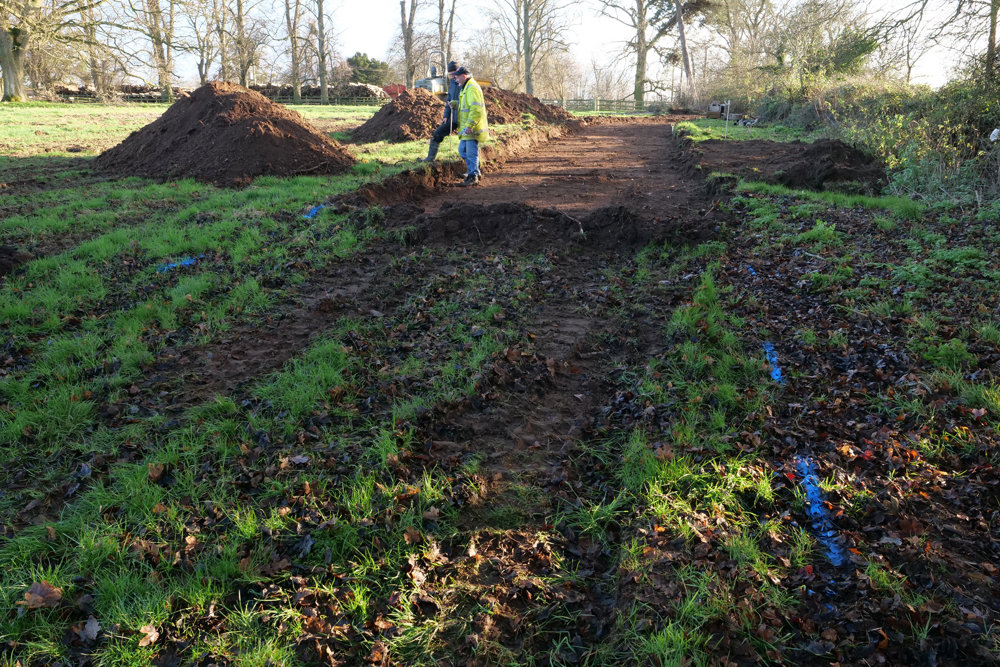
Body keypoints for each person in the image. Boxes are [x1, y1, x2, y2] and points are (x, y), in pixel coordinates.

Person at [419, 61, 461, 163]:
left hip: (463, 116)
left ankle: (470, 169)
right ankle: (430, 158)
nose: (452, 76)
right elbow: (449, 99)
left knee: (466, 143)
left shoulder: (464, 82)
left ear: (458, 71)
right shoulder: (452, 82)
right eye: (450, 74)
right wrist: (446, 115)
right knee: (437, 133)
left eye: (453, 73)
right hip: (453, 116)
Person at [453, 66, 488, 186]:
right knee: (462, 151)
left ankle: (473, 176)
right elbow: (466, 106)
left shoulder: (472, 88)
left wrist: (470, 125)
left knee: (470, 153)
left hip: (471, 128)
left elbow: (475, 109)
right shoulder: (466, 87)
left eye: (457, 77)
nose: (455, 79)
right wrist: (455, 105)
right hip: (466, 128)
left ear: (464, 76)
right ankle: (475, 172)